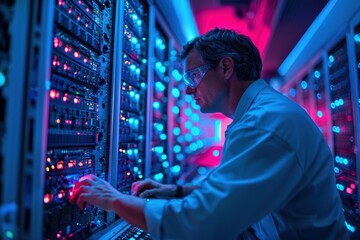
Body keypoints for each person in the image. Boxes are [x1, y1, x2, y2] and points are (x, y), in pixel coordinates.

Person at [70, 28, 349, 239]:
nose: (189, 89)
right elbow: (233, 185)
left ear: (226, 67)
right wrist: (175, 190)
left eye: (194, 76)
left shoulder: (264, 123)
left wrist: (113, 199)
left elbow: (200, 224)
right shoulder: (258, 115)